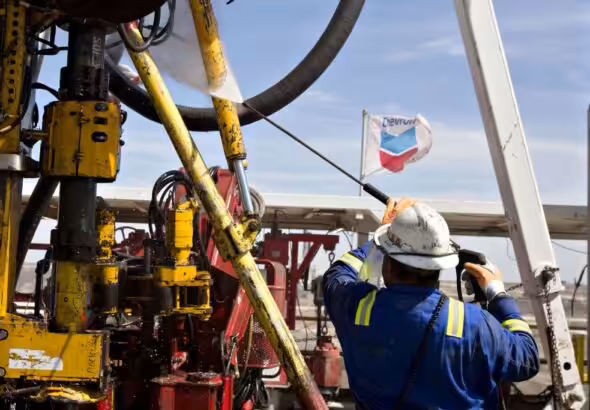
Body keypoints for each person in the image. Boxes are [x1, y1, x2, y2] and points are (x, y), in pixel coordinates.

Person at [322, 199, 539, 410]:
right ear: (439, 267)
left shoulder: (356, 308)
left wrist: (382, 238)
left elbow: (337, 274)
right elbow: (527, 359)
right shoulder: (474, 323)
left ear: (388, 267)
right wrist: (497, 294)